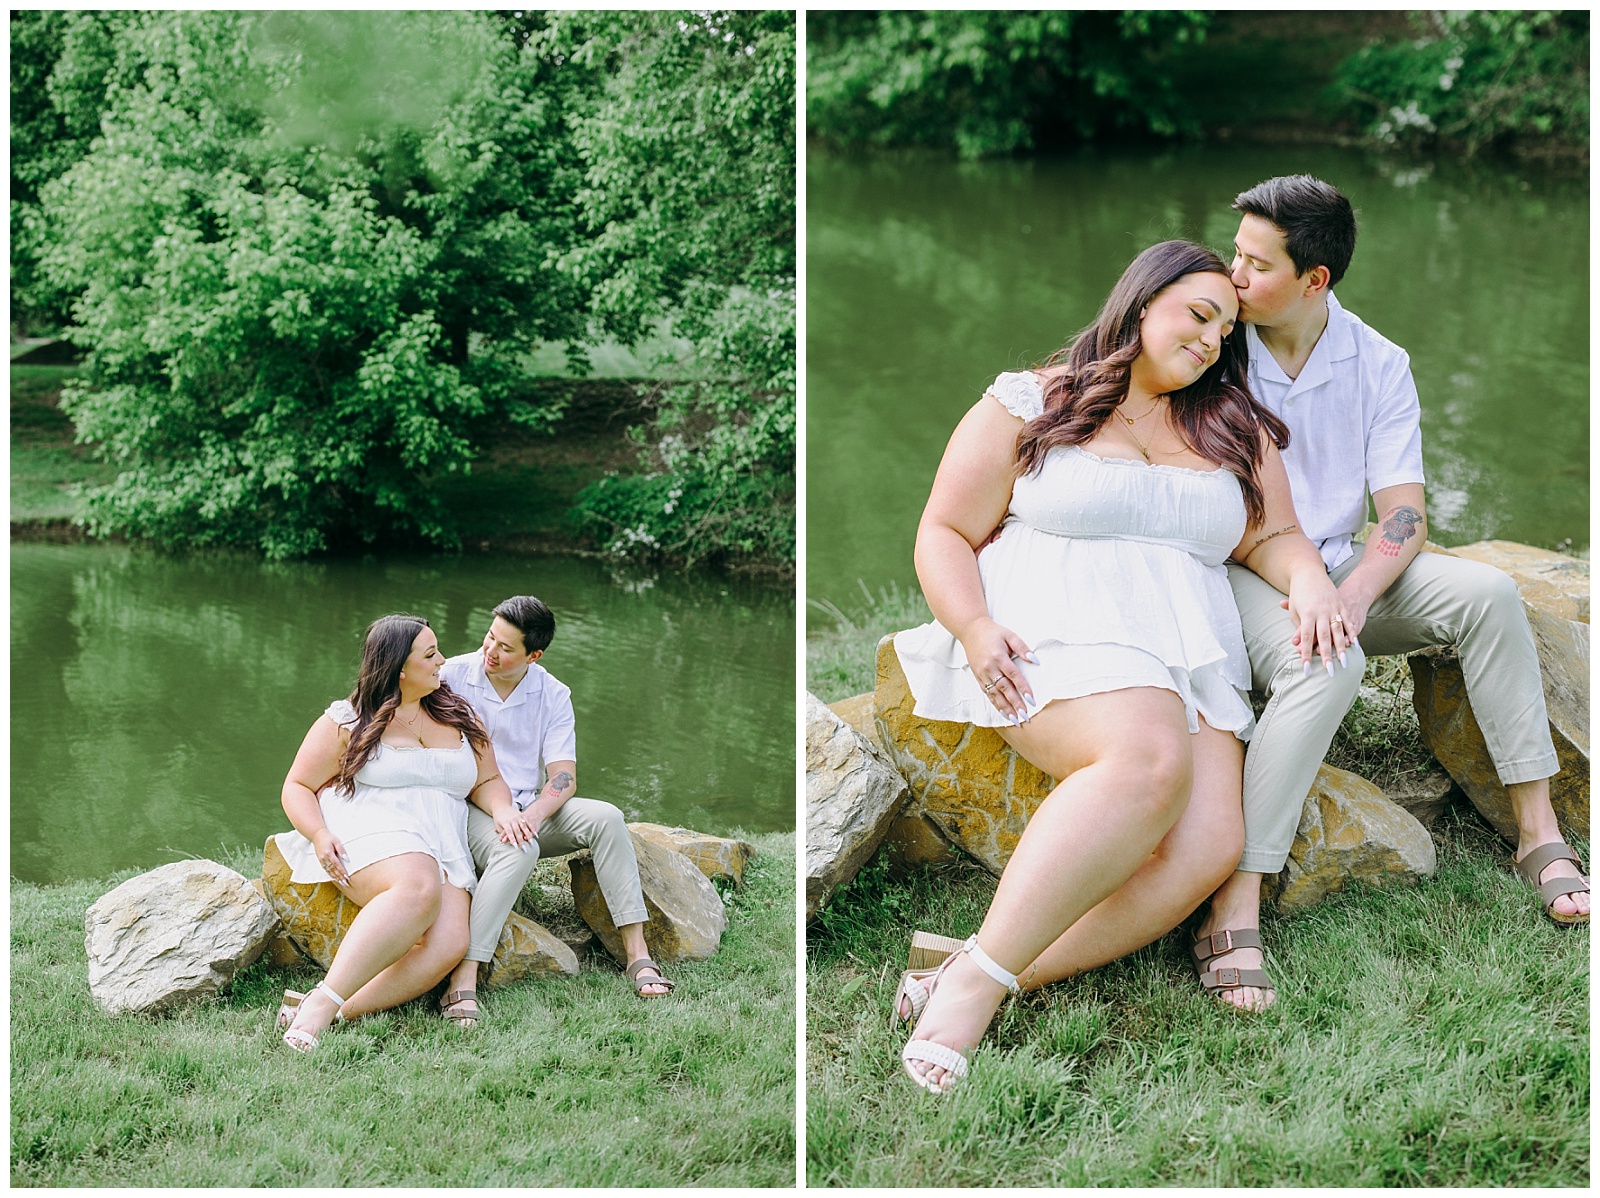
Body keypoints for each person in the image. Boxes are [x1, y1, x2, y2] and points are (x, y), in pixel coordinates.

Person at [891, 240, 1352, 1093]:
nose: (1215, 340)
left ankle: (972, 971)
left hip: (1184, 646)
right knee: (1147, 759)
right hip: (1055, 632)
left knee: (1210, 842)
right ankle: (969, 1002)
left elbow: (1273, 538)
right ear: (1143, 304)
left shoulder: (1231, 426)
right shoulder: (1032, 398)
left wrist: (1311, 584)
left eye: (1228, 328)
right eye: (1198, 315)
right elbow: (943, 530)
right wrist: (975, 624)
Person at [1193, 174, 1588, 1011]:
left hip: (1340, 565)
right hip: (1236, 572)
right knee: (1324, 661)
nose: (1233, 276)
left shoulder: (1378, 361)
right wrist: (1309, 593)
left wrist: (1358, 592)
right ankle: (1238, 896)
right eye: (1236, 255)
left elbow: (1403, 509)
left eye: (1255, 264)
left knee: (1486, 594)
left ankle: (1537, 830)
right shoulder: (1211, 348)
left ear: (1315, 281)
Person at [273, 614, 535, 1051]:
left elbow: (487, 781)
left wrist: (503, 808)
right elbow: (296, 785)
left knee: (450, 942)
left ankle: (330, 1007)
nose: (443, 661)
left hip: (443, 842)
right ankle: (322, 1007)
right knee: (418, 886)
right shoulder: (347, 718)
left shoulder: (458, 714)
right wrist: (318, 834)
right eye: (430, 654)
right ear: (398, 667)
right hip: (374, 830)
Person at [435, 595, 673, 1019]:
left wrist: (530, 816)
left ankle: (636, 953)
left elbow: (563, 777)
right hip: (467, 810)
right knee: (519, 847)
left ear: (534, 654)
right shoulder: (450, 675)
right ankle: (465, 975)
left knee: (607, 818)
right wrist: (504, 813)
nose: (491, 651)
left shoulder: (552, 693)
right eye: (490, 637)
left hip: (526, 812)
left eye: (506, 647)